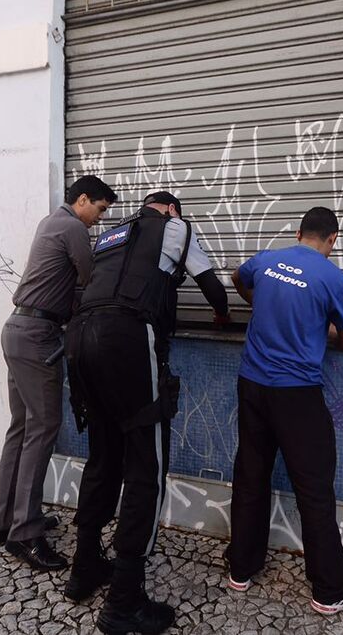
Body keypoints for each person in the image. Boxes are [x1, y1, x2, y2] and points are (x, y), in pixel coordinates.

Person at [65, 190, 231, 634]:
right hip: (127, 339)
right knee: (147, 469)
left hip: (79, 339)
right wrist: (223, 314)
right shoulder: (175, 228)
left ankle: (84, 566)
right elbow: (212, 288)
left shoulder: (111, 234)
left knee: (102, 458)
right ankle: (124, 602)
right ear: (172, 210)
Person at [226, 206, 343, 615]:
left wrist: (260, 304)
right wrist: (320, 325)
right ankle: (330, 590)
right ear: (333, 240)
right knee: (314, 488)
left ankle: (241, 568)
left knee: (251, 474)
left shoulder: (267, 260)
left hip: (252, 386)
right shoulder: (333, 278)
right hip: (297, 395)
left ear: (298, 233)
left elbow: (236, 278)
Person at [0, 175, 117, 572]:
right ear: (83, 200)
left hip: (17, 328)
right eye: (100, 209)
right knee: (43, 427)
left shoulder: (50, 222)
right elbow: (91, 280)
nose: (99, 219)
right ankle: (25, 532)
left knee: (21, 428)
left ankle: (6, 519)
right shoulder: (72, 227)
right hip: (37, 336)